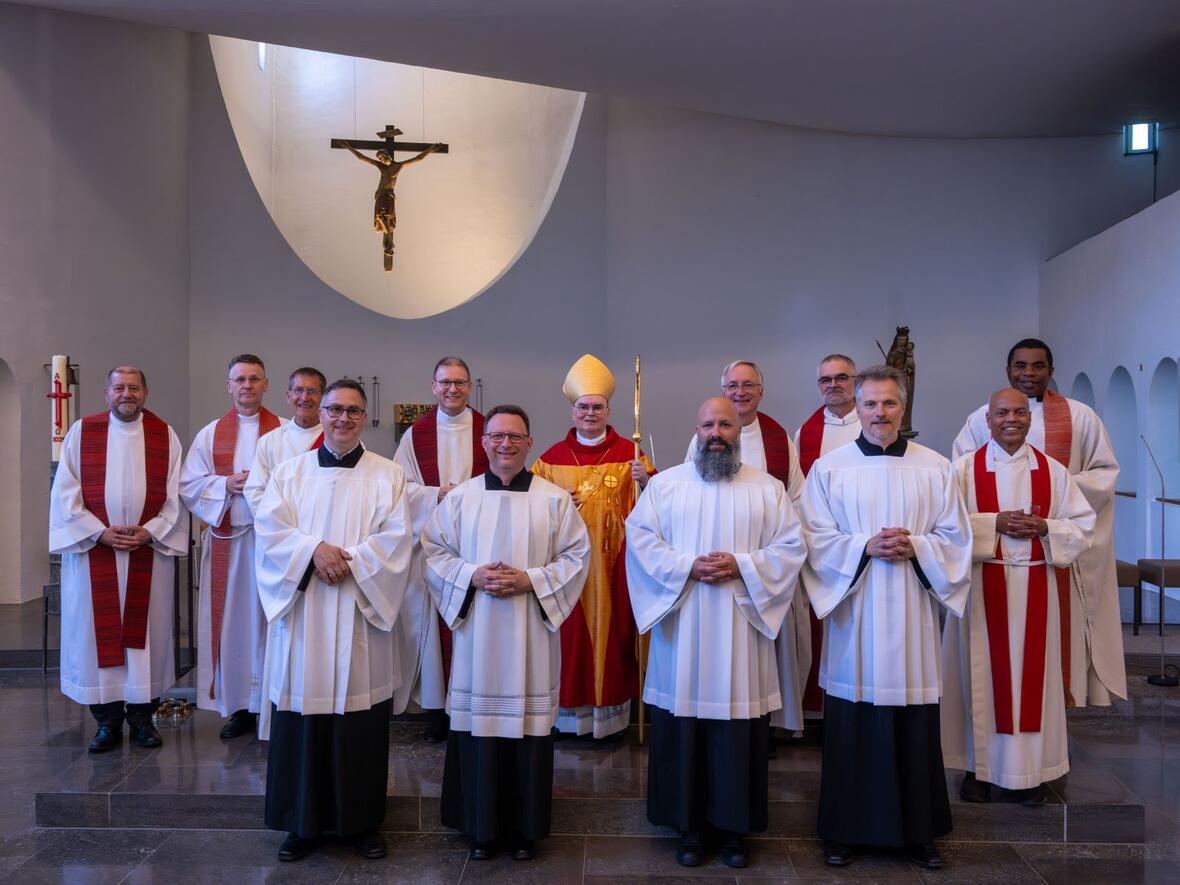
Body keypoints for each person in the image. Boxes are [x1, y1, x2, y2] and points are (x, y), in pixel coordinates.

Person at [802, 365, 972, 870]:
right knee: (853, 719)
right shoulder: (829, 469)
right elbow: (812, 538)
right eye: (870, 404)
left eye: (889, 404)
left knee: (914, 722)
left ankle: (919, 833)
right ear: (857, 407)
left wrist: (916, 545)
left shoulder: (936, 466)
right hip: (856, 614)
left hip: (912, 617)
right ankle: (843, 830)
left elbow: (956, 539)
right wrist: (864, 546)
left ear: (903, 407)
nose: (880, 413)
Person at [629, 397, 806, 869]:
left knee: (737, 731)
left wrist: (742, 565)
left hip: (740, 629)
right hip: (683, 628)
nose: (716, 433)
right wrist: (687, 566)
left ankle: (734, 831)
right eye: (708, 423)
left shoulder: (767, 490)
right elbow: (641, 542)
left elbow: (791, 548)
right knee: (683, 724)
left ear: (739, 430)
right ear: (696, 428)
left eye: (725, 424)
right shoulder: (664, 487)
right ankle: (686, 827)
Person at [422, 405, 590, 861]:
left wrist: (530, 580)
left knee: (527, 727)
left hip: (530, 635)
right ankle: (481, 828)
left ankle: (523, 829)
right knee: (480, 725)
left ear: (529, 443)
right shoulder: (460, 500)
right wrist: (472, 576)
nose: (505, 444)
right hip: (478, 632)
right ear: (484, 443)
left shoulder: (554, 500)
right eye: (496, 436)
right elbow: (433, 553)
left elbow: (576, 559)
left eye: (515, 437)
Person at [254, 379, 413, 862]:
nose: (343, 419)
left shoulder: (388, 474)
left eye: (353, 411)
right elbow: (270, 530)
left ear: (365, 417)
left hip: (359, 614)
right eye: (334, 410)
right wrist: (314, 552)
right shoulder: (289, 472)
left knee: (359, 725)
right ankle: (301, 825)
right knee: (303, 719)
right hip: (305, 614)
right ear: (319, 414)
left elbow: (398, 539)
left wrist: (351, 562)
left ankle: (360, 823)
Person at [952, 338, 1125, 707]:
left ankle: (1054, 715)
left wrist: (1052, 491)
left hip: (1049, 548)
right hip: (994, 551)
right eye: (1020, 366)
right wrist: (1000, 515)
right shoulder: (980, 416)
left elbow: (1105, 473)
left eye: (1037, 366)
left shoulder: (1080, 416)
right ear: (1008, 370)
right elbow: (960, 482)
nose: (1028, 373)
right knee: (992, 662)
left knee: (1047, 647)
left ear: (1051, 370)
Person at [943, 388, 1095, 807]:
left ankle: (1031, 774)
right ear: (987, 420)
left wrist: (1046, 528)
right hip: (980, 588)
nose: (1012, 419)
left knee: (1035, 683)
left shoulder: (1053, 471)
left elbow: (1083, 526)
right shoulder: (962, 471)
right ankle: (978, 770)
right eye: (1002, 412)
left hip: (1035, 587)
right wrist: (995, 522)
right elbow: (945, 528)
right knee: (979, 680)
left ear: (1030, 418)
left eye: (1020, 412)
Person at [49, 366, 187, 752]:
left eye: (134, 387)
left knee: (146, 638)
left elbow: (178, 493)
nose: (127, 394)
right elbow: (66, 492)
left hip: (147, 553)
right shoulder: (83, 431)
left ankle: (143, 721)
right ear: (106, 392)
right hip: (96, 552)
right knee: (97, 637)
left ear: (145, 392)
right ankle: (107, 723)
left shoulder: (164, 434)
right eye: (119, 387)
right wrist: (98, 531)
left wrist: (153, 530)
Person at [683, 360, 808, 743]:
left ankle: (767, 725)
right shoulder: (701, 438)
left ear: (761, 391)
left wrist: (760, 560)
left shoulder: (778, 436)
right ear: (723, 390)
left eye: (748, 385)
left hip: (758, 570)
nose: (740, 391)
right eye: (733, 385)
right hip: (706, 569)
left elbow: (797, 497)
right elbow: (691, 495)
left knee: (765, 657)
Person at [531, 354, 653, 741]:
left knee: (616, 637)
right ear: (572, 411)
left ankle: (612, 721)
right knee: (569, 640)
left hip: (616, 567)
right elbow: (529, 509)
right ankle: (568, 719)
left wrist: (647, 481)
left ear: (609, 410)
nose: (590, 413)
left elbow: (659, 510)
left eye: (597, 407)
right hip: (567, 570)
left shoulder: (631, 456)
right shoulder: (548, 462)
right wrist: (550, 499)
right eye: (583, 407)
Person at [181, 354, 282, 739]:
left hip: (271, 546)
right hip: (229, 543)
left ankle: (270, 704)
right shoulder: (210, 434)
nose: (247, 386)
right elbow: (189, 484)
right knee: (233, 626)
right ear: (228, 386)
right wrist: (225, 485)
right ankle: (240, 707)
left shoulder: (283, 432)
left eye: (254, 379)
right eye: (239, 379)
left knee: (268, 623)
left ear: (266, 384)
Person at [392, 356, 489, 743]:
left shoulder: (489, 429)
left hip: (477, 545)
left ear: (470, 386)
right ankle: (436, 708)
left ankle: (472, 701)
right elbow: (402, 489)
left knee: (471, 624)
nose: (452, 389)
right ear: (433, 387)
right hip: (432, 544)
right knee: (433, 629)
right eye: (445, 383)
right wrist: (439, 494)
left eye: (460, 383)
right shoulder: (416, 434)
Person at [794, 354, 862, 723]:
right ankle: (819, 712)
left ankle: (854, 707)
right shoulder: (806, 432)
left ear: (855, 381)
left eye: (841, 378)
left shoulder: (871, 421)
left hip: (864, 541)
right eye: (825, 380)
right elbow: (802, 492)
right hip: (825, 544)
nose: (833, 385)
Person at [244, 367, 326, 515]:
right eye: (298, 390)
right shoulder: (269, 441)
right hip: (281, 531)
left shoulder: (337, 441)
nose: (305, 397)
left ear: (324, 398)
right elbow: (255, 492)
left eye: (312, 391)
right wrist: (284, 524)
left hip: (323, 528)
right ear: (288, 396)